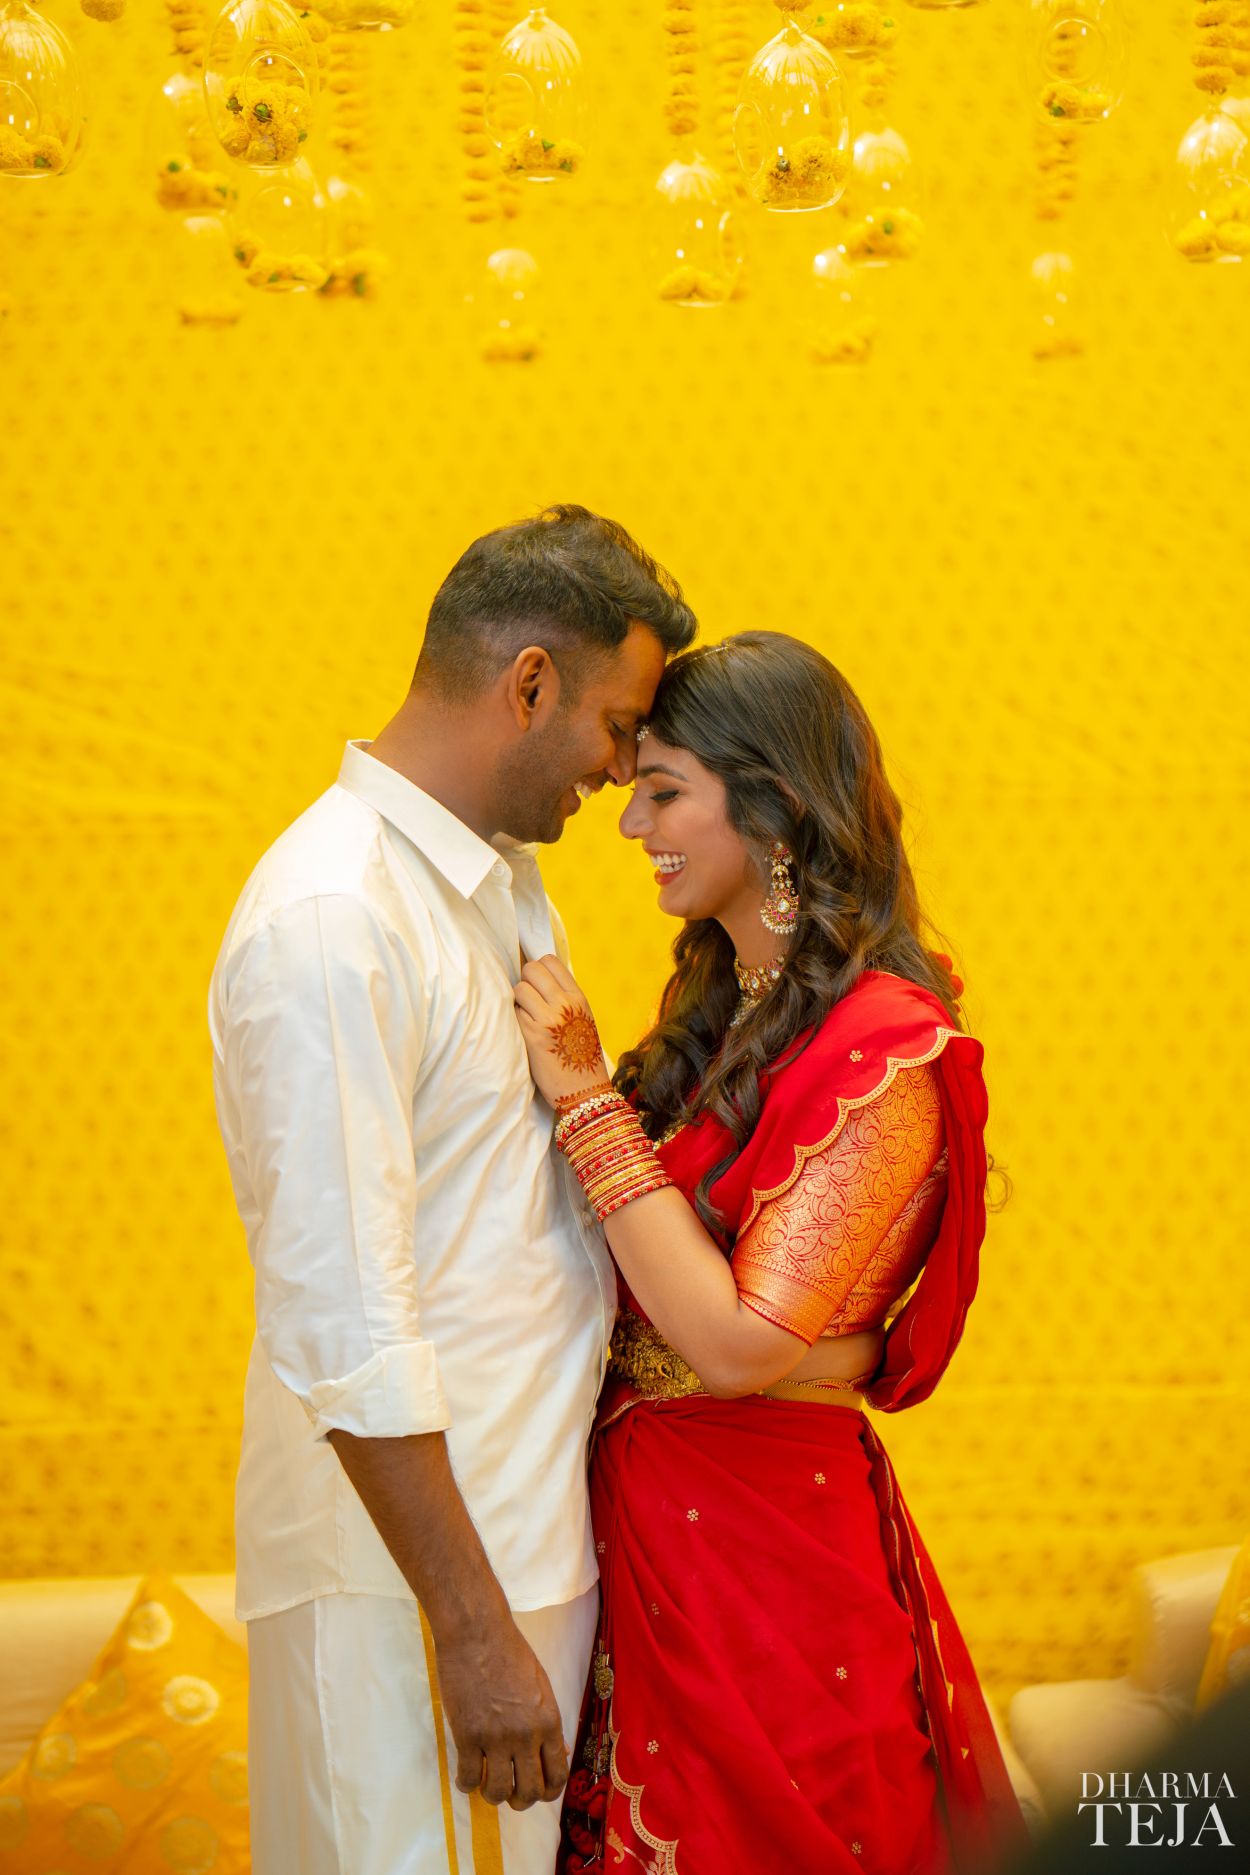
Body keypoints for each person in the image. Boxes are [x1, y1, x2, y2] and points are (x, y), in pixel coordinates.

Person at [207, 505, 697, 1875]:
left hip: (519, 1546)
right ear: (527, 683)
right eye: (616, 726)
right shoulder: (334, 917)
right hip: (408, 1594)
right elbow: (342, 1320)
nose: (620, 771)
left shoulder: (502, 884)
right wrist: (470, 1628)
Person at [512, 633, 1032, 1875]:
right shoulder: (724, 1014)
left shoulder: (884, 1050)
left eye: (663, 791)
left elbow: (743, 1344)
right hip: (649, 1534)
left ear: (775, 807)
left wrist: (584, 1099)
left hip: (767, 1567)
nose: (630, 823)